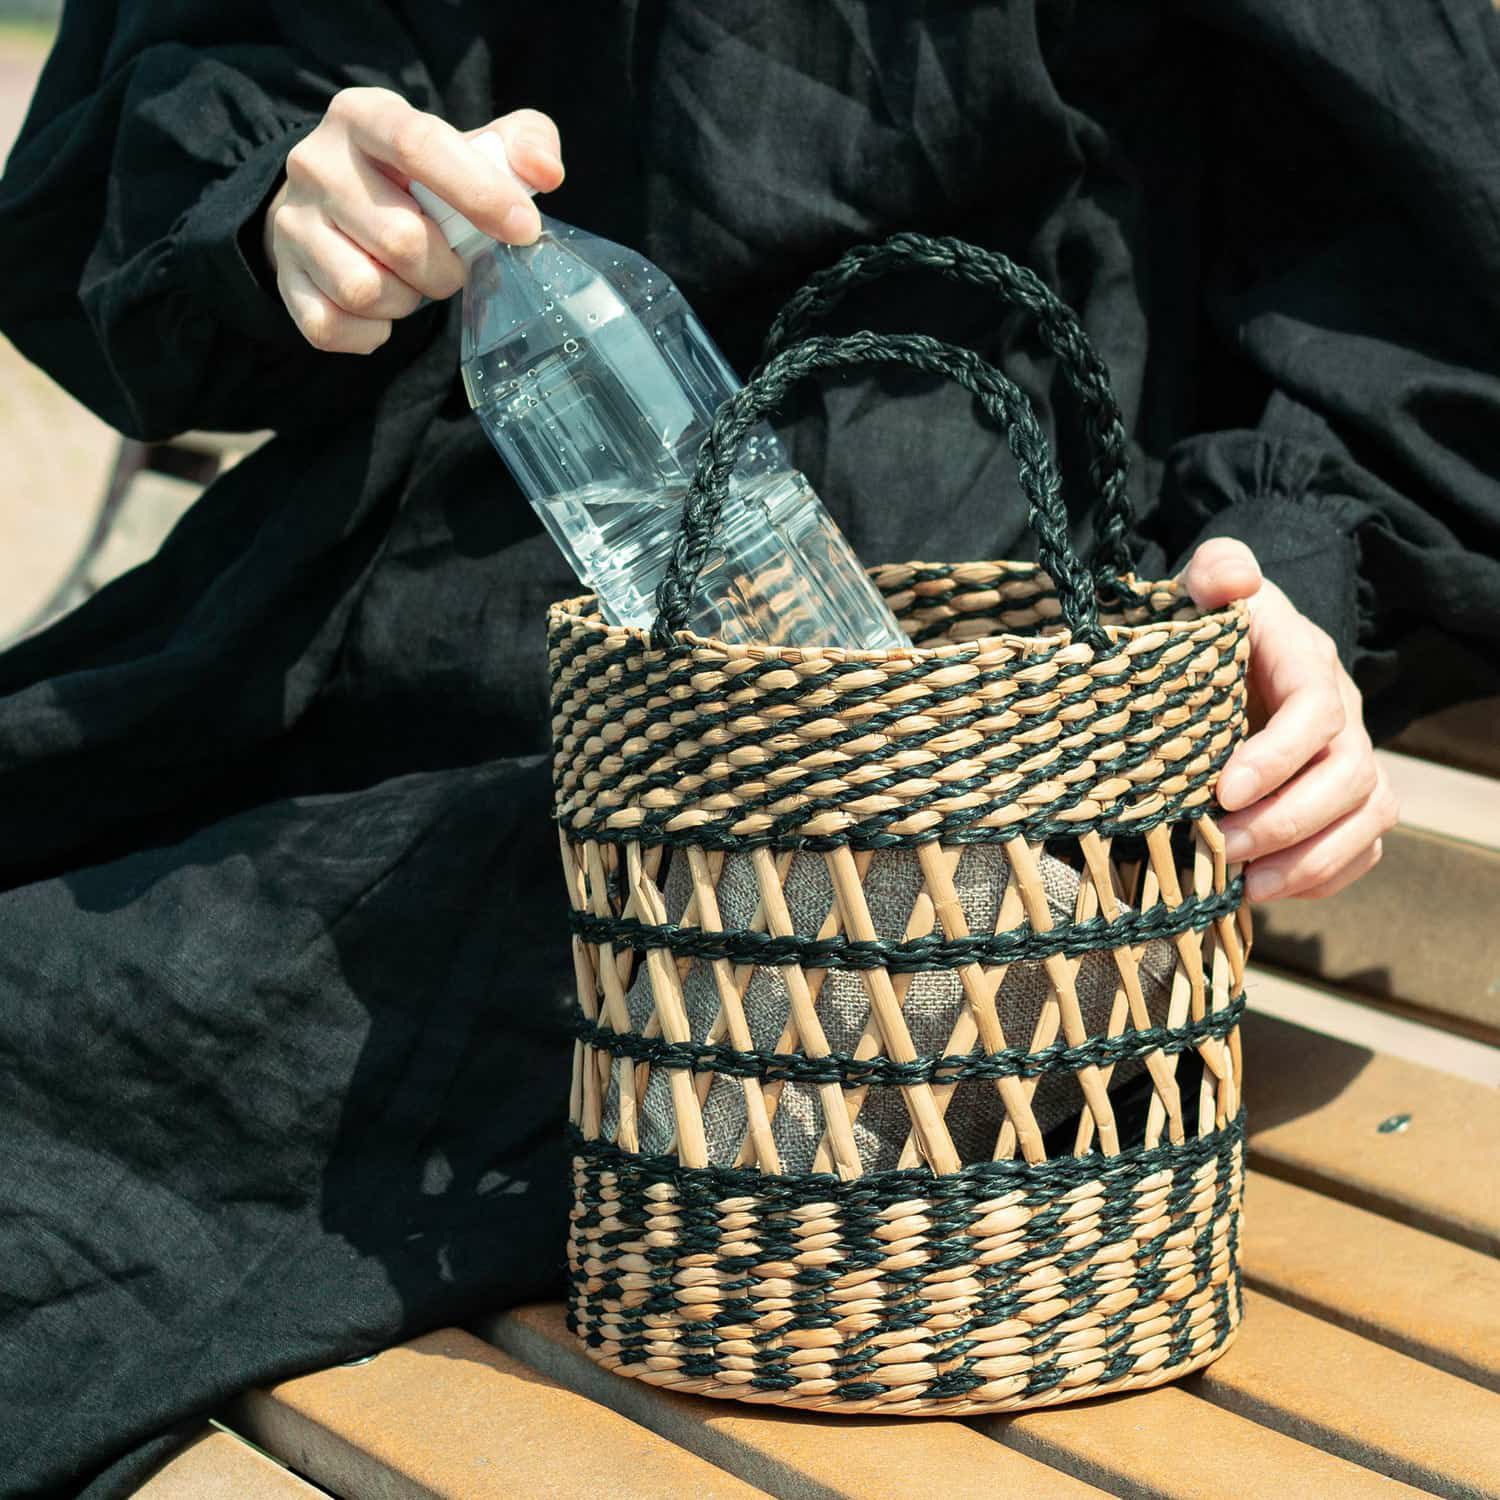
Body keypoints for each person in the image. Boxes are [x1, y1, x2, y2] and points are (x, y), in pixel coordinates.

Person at [0, 3, 1494, 1494]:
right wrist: (294, 202)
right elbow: (202, 109)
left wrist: (1283, 582)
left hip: (929, 795)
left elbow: (1396, 239)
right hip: (380, 657)